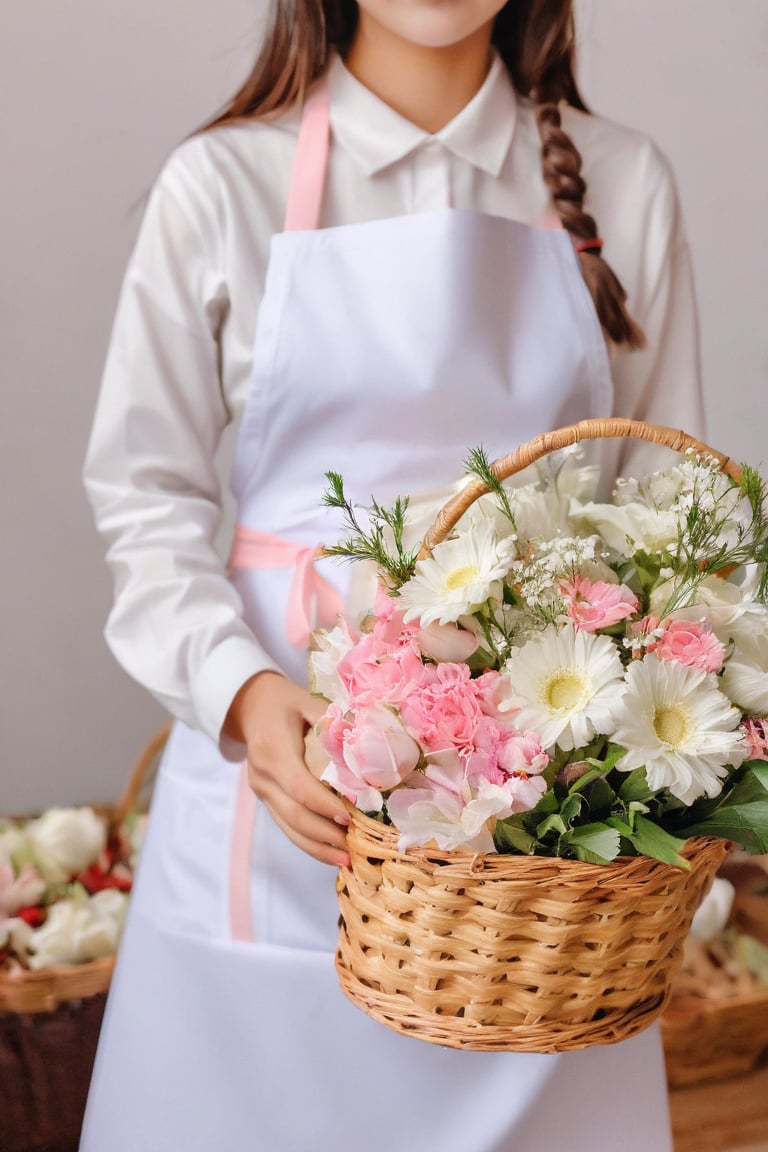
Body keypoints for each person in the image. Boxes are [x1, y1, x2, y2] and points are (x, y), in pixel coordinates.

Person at [81, 1, 703, 1148]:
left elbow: (668, 530)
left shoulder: (624, 183)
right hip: (281, 794)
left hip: (533, 853)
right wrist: (247, 702)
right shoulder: (221, 184)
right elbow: (145, 497)